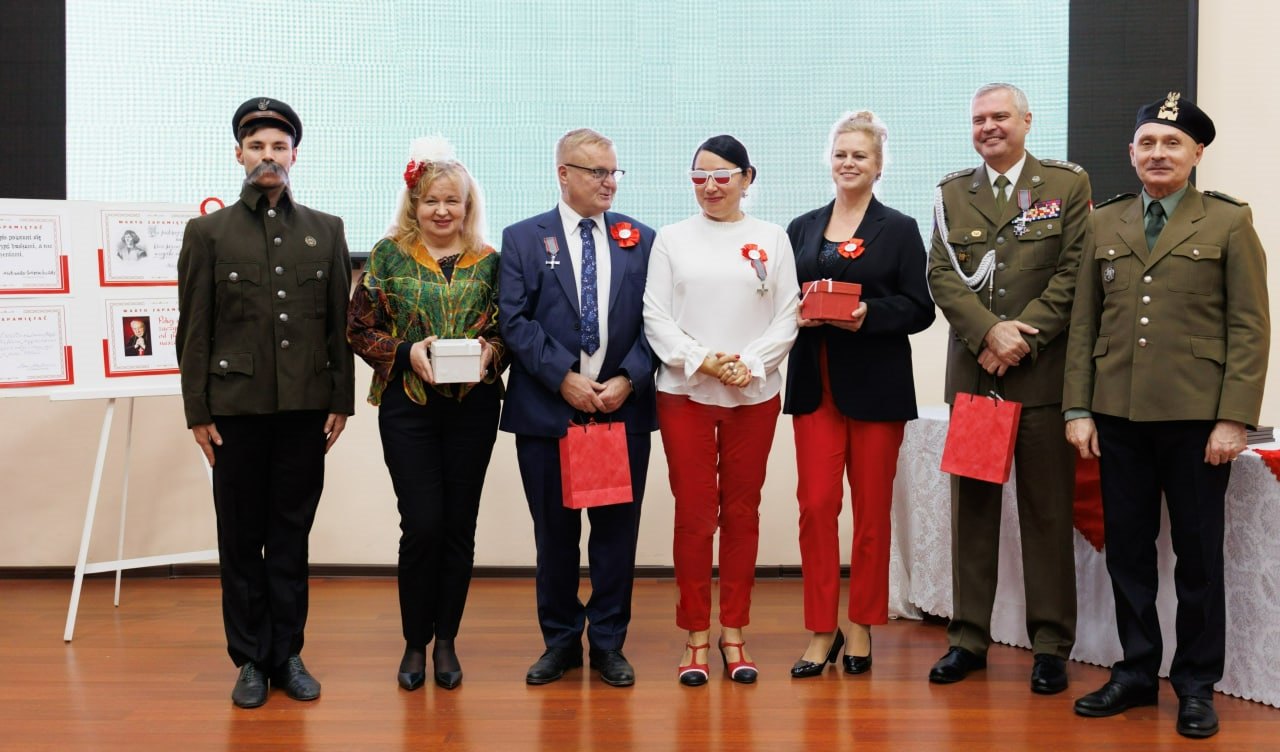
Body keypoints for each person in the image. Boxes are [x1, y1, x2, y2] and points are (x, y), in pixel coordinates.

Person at [1064, 93, 1269, 739]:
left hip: (1196, 420)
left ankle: (1196, 684)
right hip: (1117, 415)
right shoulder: (1106, 222)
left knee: (1198, 558)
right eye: (1148, 143)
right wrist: (1078, 407)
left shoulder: (1228, 222)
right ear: (1131, 153)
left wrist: (1234, 417)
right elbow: (1084, 324)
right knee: (1128, 553)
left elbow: (1250, 327)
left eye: (1172, 143)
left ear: (1196, 153)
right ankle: (1134, 671)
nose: (1159, 153)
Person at [176, 97, 354, 709]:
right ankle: (251, 659)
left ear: (294, 156)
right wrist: (197, 410)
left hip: (305, 409)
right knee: (240, 537)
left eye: (279, 147)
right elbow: (194, 328)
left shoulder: (325, 230)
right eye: (257, 147)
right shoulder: (208, 233)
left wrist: (340, 399)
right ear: (239, 155)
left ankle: (288, 655)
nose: (268, 156)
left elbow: (337, 325)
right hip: (234, 411)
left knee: (290, 536)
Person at [926, 83, 1091, 694]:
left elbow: (1075, 272)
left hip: (1042, 380)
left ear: (1026, 121)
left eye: (1000, 116)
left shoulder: (1065, 185)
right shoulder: (952, 193)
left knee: (1047, 515)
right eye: (979, 119)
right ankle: (968, 639)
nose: (989, 127)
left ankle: (1050, 646)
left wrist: (1022, 337)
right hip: (978, 381)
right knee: (973, 515)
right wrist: (989, 333)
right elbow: (941, 274)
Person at [347, 137, 506, 692]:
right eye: (431, 200)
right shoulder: (388, 255)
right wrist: (405, 351)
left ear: (468, 205)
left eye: (452, 201)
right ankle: (415, 641)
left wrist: (491, 352)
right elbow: (358, 328)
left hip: (473, 409)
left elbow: (508, 329)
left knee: (459, 526)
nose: (442, 211)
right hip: (408, 408)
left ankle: (447, 642)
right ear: (414, 204)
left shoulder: (491, 262)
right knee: (422, 525)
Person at [499, 128, 657, 688]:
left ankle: (609, 643)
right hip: (549, 413)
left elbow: (659, 323)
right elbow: (514, 320)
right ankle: (561, 641)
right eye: (596, 172)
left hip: (619, 412)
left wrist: (629, 379)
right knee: (555, 536)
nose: (609, 182)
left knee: (615, 537)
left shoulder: (642, 239)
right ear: (564, 174)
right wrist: (562, 378)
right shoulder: (523, 239)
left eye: (614, 172)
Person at [783, 112, 935, 678]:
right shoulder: (801, 227)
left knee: (871, 514)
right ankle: (822, 628)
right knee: (816, 507)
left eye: (860, 156)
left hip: (877, 389)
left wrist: (870, 311)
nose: (848, 163)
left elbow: (920, 308)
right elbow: (781, 298)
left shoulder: (899, 228)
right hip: (813, 385)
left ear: (879, 165)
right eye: (841, 154)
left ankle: (863, 624)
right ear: (830, 160)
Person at [644, 135, 799, 685]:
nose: (710, 187)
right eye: (699, 177)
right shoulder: (671, 239)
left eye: (722, 176)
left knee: (740, 512)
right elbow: (656, 315)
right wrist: (703, 360)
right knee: (694, 515)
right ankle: (695, 635)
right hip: (685, 392)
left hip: (752, 395)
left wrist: (748, 365)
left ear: (747, 178)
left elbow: (788, 313)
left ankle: (733, 631)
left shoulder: (773, 238)